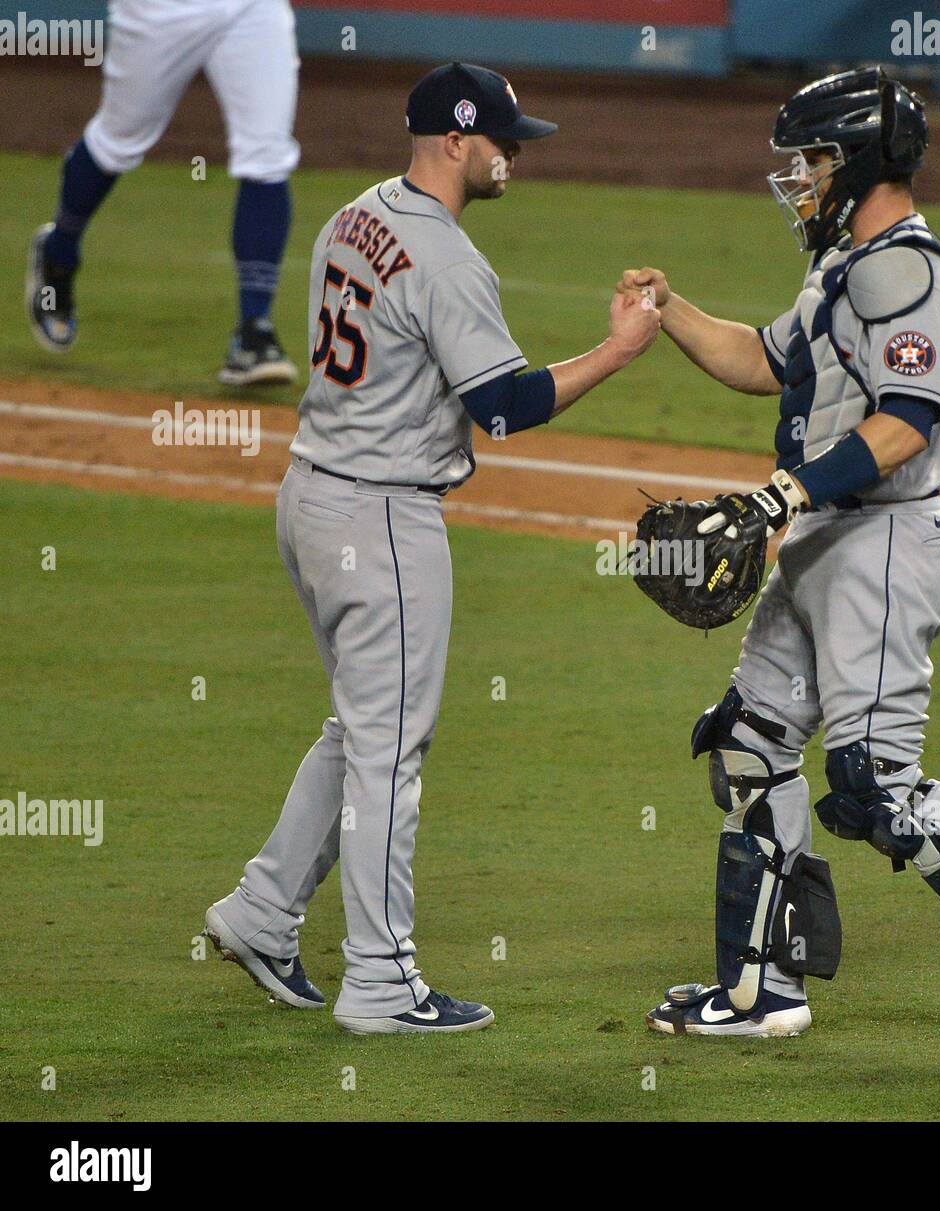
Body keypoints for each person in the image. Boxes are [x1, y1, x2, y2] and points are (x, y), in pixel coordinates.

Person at [630, 67, 940, 1052]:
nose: (799, 179)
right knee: (749, 741)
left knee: (872, 786)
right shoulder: (841, 267)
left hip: (882, 544)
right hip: (823, 536)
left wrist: (783, 492)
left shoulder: (906, 271)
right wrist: (668, 310)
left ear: (858, 160)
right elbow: (762, 360)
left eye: (812, 159)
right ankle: (758, 990)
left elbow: (905, 425)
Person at [204, 62, 661, 1035]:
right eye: (502, 140)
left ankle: (260, 909)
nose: (513, 155)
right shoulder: (449, 260)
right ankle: (379, 979)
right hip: (381, 524)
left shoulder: (350, 215)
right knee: (388, 753)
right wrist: (617, 350)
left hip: (309, 498)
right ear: (457, 141)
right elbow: (503, 406)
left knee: (358, 730)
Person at [25, 0, 301, 385]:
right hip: (159, 9)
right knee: (118, 141)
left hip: (252, 7)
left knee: (267, 155)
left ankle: (254, 331)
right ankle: (58, 253)